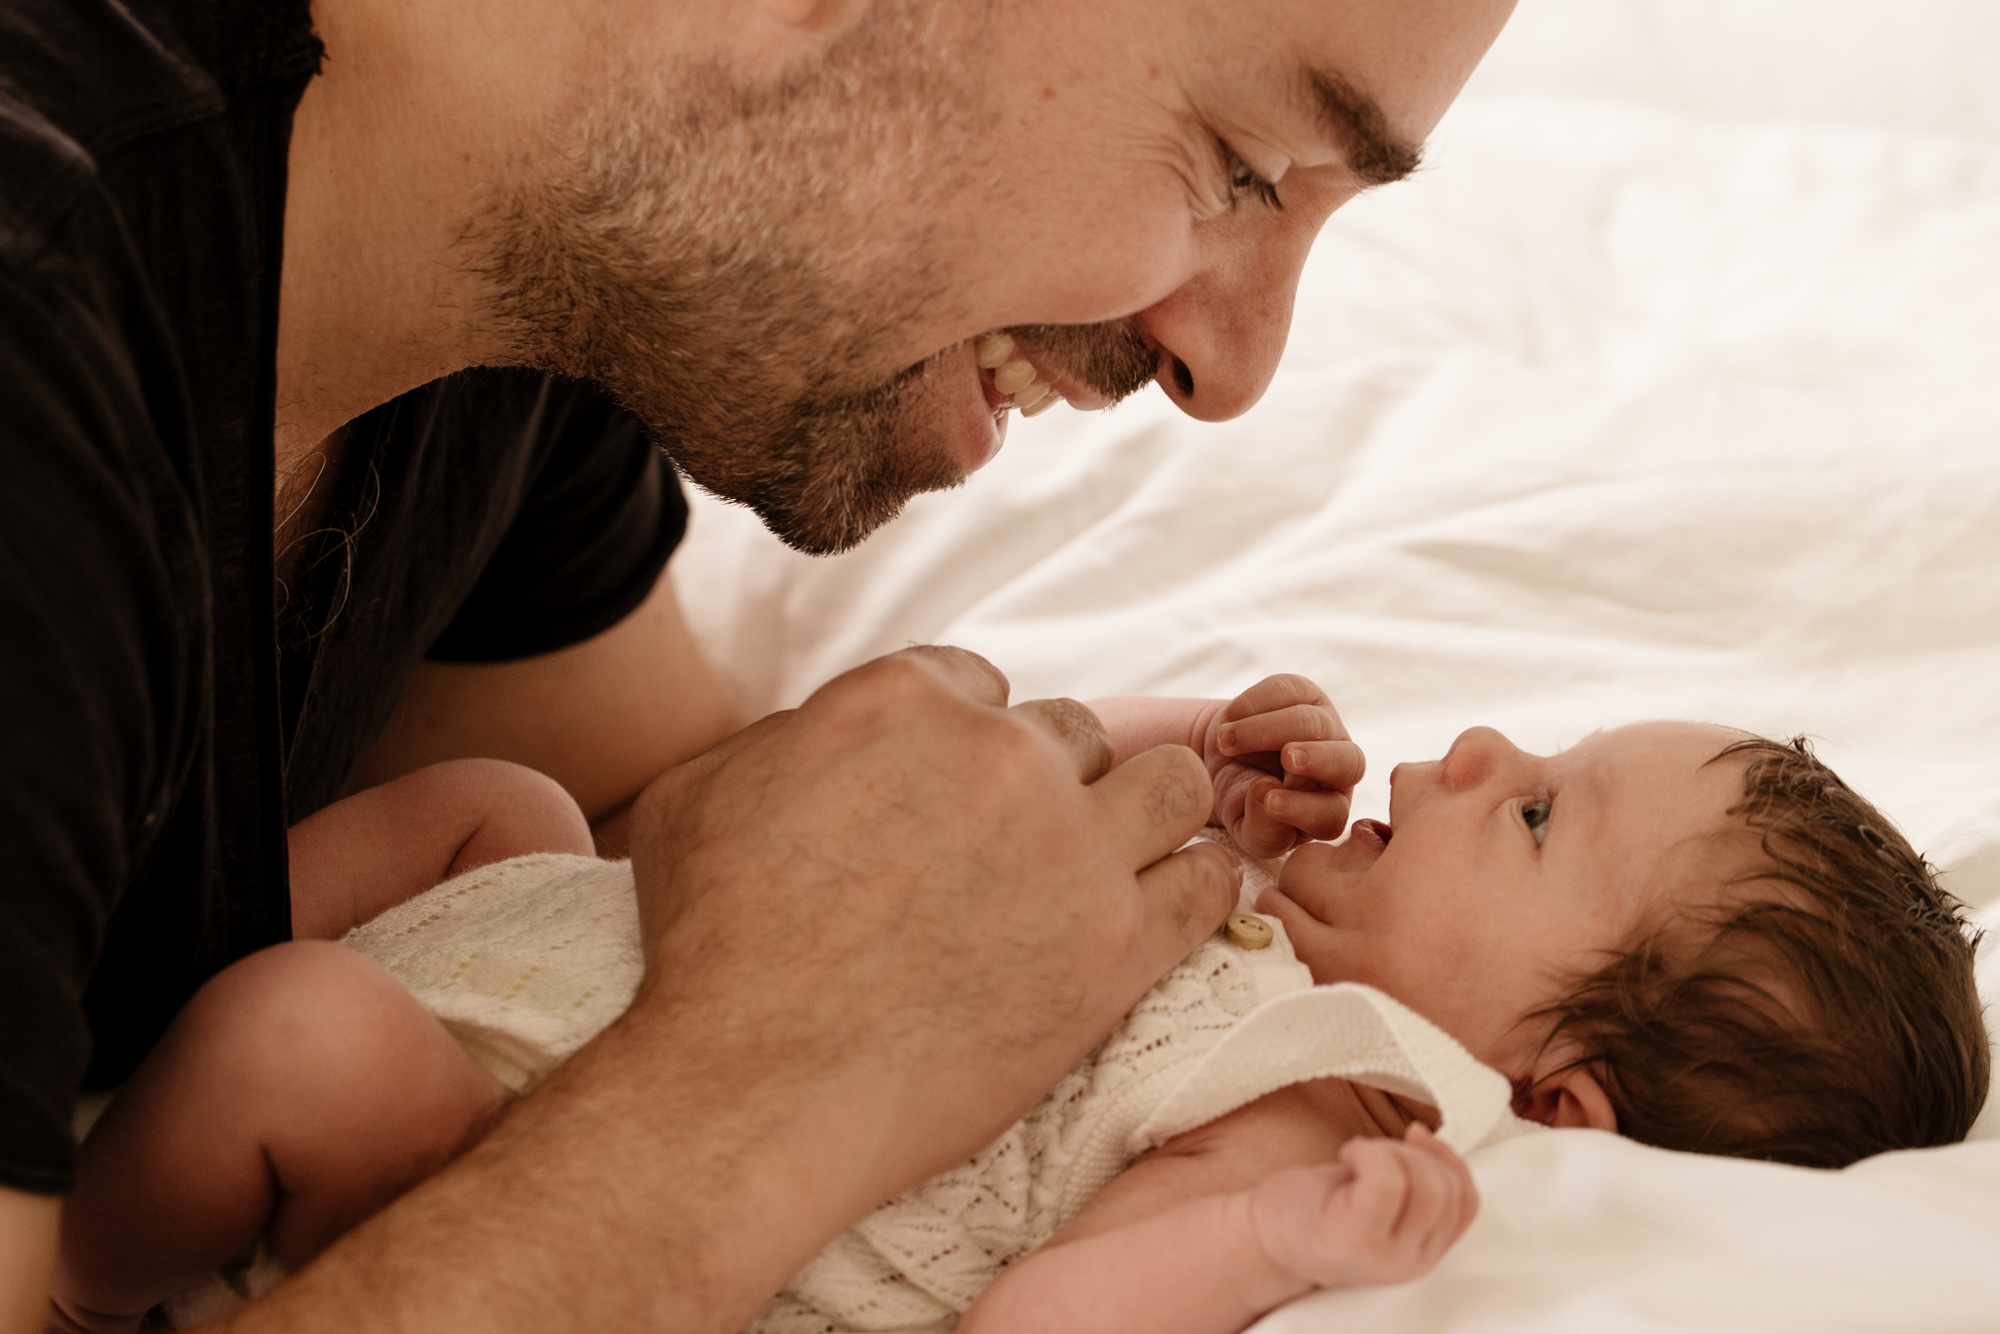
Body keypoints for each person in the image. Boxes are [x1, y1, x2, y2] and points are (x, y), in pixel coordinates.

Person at [0, 0, 1525, 1324]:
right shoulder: (39, 323)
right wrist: (770, 1087)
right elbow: (758, 1001)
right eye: (1241, 164)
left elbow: (640, 853)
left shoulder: (541, 269)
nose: (1237, 367)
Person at [46, 677, 1988, 1332]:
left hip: (489, 1156)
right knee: (504, 803)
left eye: (1540, 813)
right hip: (563, 952)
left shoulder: (1319, 1097)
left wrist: (1264, 1239)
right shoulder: (1257, 927)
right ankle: (79, 999)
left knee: (299, 1035)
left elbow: (1041, 1316)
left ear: (1558, 1094)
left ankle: (75, 1275)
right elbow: (973, 807)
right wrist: (1186, 750)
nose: (1476, 747)